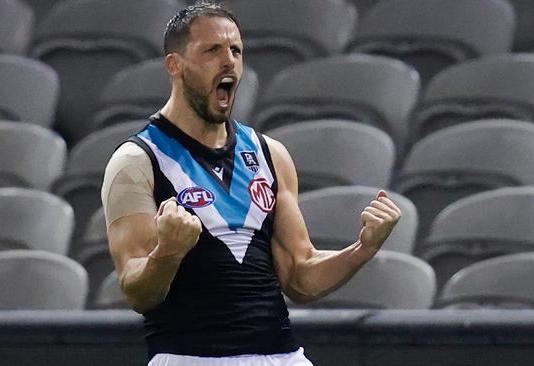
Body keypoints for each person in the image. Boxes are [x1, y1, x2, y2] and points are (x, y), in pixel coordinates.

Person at [101, 2, 402, 365]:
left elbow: (300, 274)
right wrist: (169, 251)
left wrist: (361, 250)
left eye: (236, 50)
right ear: (175, 65)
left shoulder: (268, 154)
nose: (229, 62)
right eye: (212, 50)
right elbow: (137, 291)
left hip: (281, 357)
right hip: (190, 357)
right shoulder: (136, 162)